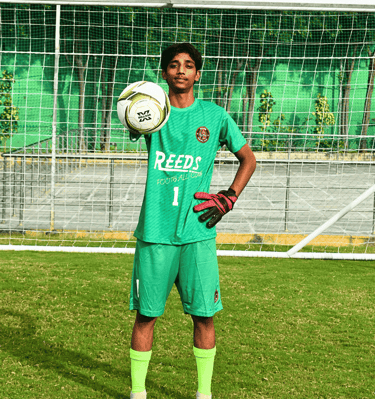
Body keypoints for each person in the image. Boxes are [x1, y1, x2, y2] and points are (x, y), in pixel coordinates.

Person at [128, 43, 256, 399]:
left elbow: (248, 159)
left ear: (198, 74)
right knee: (145, 317)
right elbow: (132, 115)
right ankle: (138, 393)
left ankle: (204, 394)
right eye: (173, 65)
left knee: (204, 317)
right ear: (165, 74)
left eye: (188, 66)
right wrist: (136, 101)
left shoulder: (214, 117)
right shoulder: (152, 115)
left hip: (198, 234)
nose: (181, 70)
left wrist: (228, 197)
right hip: (155, 232)